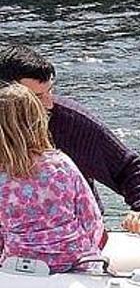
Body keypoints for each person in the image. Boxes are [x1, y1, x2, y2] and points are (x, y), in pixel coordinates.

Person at [0, 44, 140, 235]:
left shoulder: (71, 122)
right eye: (37, 97)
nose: (48, 104)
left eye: (50, 91)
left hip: (75, 240)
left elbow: (128, 167)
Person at [0, 83, 104, 272]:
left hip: (16, 265)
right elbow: (91, 218)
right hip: (74, 262)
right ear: (39, 120)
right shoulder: (60, 164)